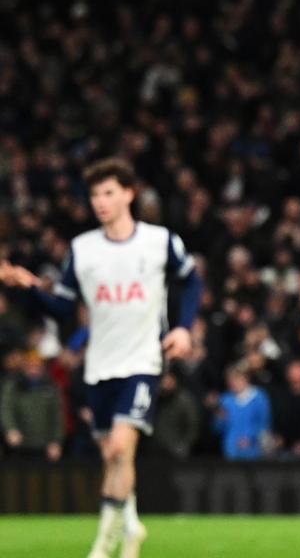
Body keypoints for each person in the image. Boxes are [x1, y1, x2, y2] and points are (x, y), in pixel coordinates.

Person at [0, 157, 202, 558]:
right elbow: (65, 309)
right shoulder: (83, 250)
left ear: (129, 194)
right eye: (94, 194)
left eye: (108, 192)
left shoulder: (159, 241)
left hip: (143, 361)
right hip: (99, 366)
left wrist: (183, 327)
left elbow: (190, 281)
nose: (100, 201)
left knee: (118, 450)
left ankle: (104, 544)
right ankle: (131, 529)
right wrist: (27, 287)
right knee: (113, 459)